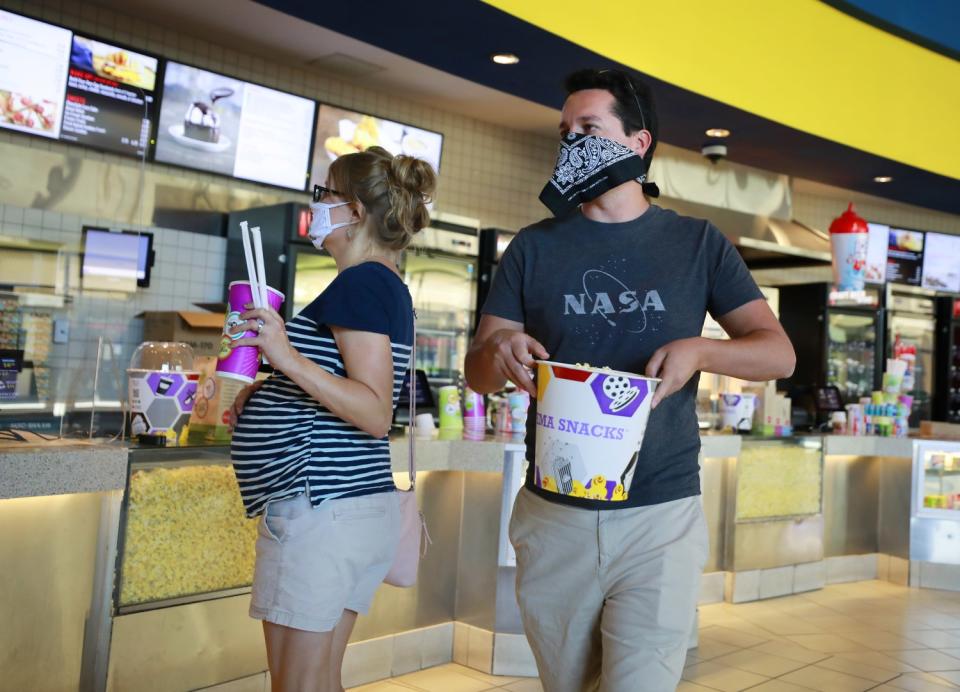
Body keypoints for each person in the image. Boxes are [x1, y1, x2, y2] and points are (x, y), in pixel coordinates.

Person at [465, 68, 796, 692]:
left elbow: (778, 355)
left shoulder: (698, 244)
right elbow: (478, 371)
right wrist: (501, 350)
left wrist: (701, 350)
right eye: (564, 131)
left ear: (637, 144)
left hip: (660, 514)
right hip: (554, 512)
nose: (571, 142)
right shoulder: (532, 249)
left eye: (588, 128)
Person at [228, 146, 436, 692]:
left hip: (321, 508)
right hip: (344, 508)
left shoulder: (363, 282)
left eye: (325, 195)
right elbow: (347, 387)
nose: (315, 205)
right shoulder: (380, 282)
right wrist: (271, 388)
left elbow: (372, 411)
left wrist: (285, 356)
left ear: (355, 212)